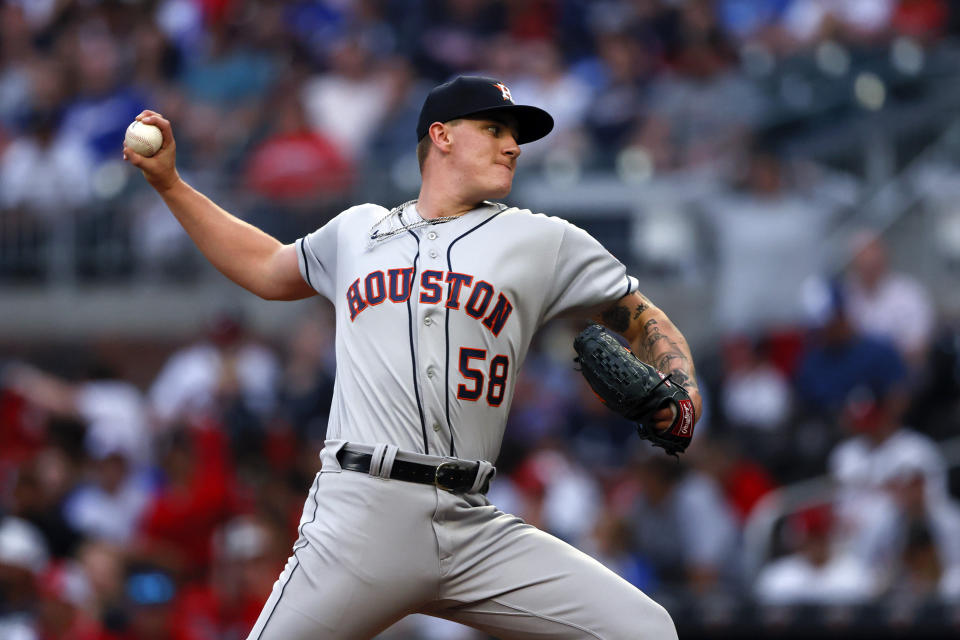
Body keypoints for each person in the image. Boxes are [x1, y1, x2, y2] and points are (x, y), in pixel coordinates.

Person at [124, 75, 703, 640]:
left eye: (516, 136)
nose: (512, 145)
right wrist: (172, 184)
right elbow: (264, 267)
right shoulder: (358, 231)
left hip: (471, 519)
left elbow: (643, 316)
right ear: (442, 135)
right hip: (361, 515)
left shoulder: (543, 240)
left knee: (646, 629)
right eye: (494, 128)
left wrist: (683, 387)